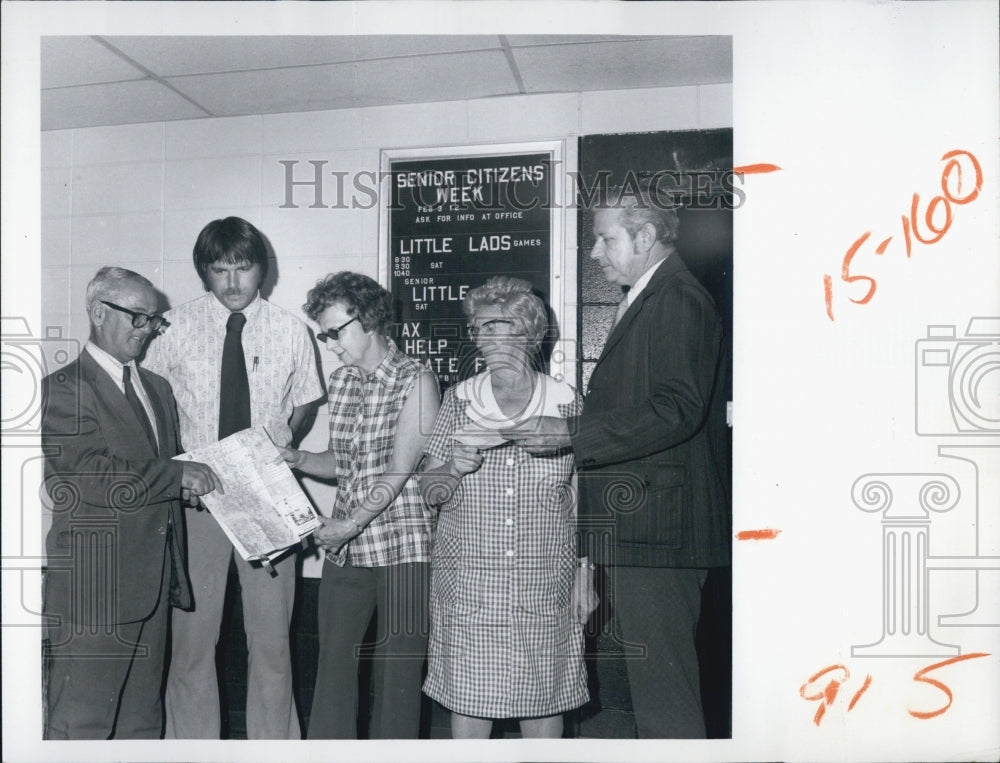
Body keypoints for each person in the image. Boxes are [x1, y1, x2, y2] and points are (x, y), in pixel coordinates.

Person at [509, 191, 731, 738]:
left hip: (661, 532)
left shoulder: (677, 298)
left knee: (666, 697)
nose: (594, 252)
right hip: (647, 529)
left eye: (605, 238)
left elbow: (675, 409)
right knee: (659, 692)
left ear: (645, 236)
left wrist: (569, 431)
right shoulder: (650, 295)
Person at [142, 217, 324, 739]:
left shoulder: (291, 330)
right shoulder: (171, 329)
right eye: (220, 269)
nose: (233, 282)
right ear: (205, 272)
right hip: (197, 498)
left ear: (261, 269)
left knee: (272, 644)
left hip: (266, 497)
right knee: (192, 642)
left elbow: (306, 402)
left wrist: (273, 451)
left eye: (243, 267)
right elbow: (153, 409)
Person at [42, 267, 222, 739]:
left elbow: (158, 474)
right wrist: (176, 474)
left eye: (153, 320)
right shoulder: (64, 387)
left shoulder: (158, 388)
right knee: (81, 724)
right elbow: (87, 474)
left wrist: (186, 484)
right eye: (137, 318)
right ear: (99, 312)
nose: (147, 330)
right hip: (95, 588)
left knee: (142, 724)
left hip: (153, 584)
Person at [418, 276, 592, 739]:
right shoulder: (458, 402)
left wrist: (587, 572)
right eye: (480, 328)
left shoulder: (567, 404)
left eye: (501, 326)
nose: (486, 338)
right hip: (471, 585)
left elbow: (586, 502)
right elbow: (429, 492)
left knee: (544, 701)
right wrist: (452, 467)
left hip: (545, 583)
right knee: (470, 706)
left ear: (530, 333)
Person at [276, 272, 439, 739]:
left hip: (405, 550)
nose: (330, 344)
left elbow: (399, 469)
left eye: (335, 332)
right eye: (324, 334)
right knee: (333, 670)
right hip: (348, 551)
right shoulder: (344, 381)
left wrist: (348, 523)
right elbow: (343, 462)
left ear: (369, 320)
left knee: (398, 678)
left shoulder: (418, 380)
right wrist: (300, 458)